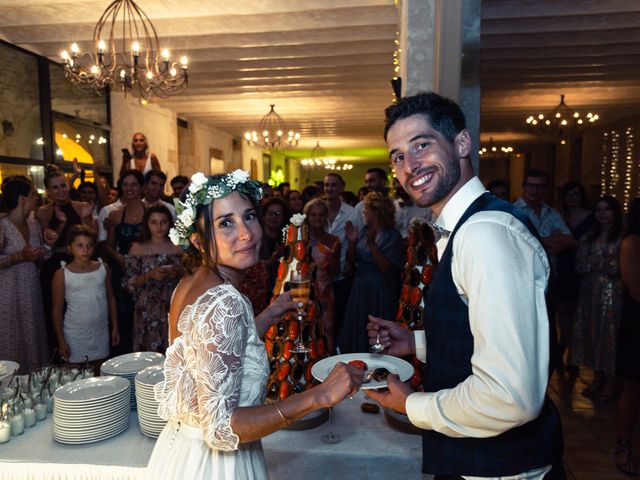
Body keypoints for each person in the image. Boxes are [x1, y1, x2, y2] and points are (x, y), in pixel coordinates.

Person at [366, 92, 563, 479]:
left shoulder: (485, 234)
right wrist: (418, 343)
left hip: (498, 468)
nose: (410, 166)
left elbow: (511, 397)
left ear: (461, 143)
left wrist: (413, 407)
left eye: (421, 145)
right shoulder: (468, 227)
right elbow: (487, 337)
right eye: (398, 157)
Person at [147, 170, 362, 479]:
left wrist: (270, 313)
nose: (247, 233)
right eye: (225, 223)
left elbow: (213, 356)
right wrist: (319, 395)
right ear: (197, 240)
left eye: (249, 216)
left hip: (182, 449)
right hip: (218, 465)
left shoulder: (191, 283)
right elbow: (221, 427)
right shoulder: (226, 302)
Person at [36, 165, 96, 352]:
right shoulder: (43, 212)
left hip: (81, 263)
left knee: (84, 309)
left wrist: (86, 220)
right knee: (56, 310)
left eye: (63, 185)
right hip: (54, 265)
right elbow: (49, 240)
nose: (60, 190)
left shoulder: (82, 207)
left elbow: (92, 237)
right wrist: (61, 224)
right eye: (55, 187)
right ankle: (60, 351)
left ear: (68, 186)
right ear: (48, 191)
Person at [569, 196, 623, 400]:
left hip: (613, 294)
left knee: (609, 334)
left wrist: (598, 263)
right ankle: (597, 376)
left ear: (615, 213)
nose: (602, 213)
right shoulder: (589, 237)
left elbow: (618, 268)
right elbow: (580, 265)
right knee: (591, 332)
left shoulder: (622, 239)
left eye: (606, 209)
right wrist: (602, 262)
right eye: (598, 209)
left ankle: (611, 380)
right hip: (590, 293)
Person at [0, 176, 55, 373]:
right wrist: (17, 257)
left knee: (32, 337)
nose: (37, 197)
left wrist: (49, 244)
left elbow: (41, 258)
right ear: (22, 199)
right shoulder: (2, 226)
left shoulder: (33, 225)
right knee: (11, 341)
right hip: (7, 294)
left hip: (31, 291)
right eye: (33, 194)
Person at [338, 191, 404, 354]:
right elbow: (354, 260)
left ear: (377, 211)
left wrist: (372, 245)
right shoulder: (365, 229)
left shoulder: (392, 235)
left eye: (366, 209)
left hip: (380, 288)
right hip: (360, 286)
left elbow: (384, 267)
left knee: (378, 325)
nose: (363, 212)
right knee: (359, 326)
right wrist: (352, 242)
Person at [52, 225, 119, 369]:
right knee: (76, 374)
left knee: (100, 371)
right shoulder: (62, 274)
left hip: (100, 331)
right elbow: (57, 309)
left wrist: (115, 327)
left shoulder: (102, 268)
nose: (85, 250)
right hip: (75, 333)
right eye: (80, 245)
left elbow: (111, 298)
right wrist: (61, 340)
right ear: (70, 247)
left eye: (89, 245)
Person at [123, 205, 182, 353]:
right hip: (146, 310)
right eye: (154, 222)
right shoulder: (137, 248)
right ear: (147, 224)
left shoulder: (178, 247)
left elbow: (189, 277)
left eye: (163, 222)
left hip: (173, 305)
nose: (159, 226)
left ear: (170, 223)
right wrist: (149, 275)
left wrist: (177, 273)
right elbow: (128, 283)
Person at [555, 181, 594, 369]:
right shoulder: (559, 215)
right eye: (568, 194)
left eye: (575, 194)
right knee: (562, 312)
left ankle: (569, 347)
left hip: (583, 269)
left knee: (578, 313)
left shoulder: (592, 217)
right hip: (563, 265)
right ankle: (567, 346)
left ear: (581, 196)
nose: (571, 198)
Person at [615, 197, 640, 476]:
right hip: (636, 322)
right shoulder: (633, 242)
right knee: (633, 387)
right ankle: (623, 445)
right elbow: (635, 288)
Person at [303, 198, 340, 353]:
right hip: (303, 290)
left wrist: (331, 258)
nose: (317, 218)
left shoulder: (334, 240)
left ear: (326, 216)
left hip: (325, 291)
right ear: (307, 217)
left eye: (321, 214)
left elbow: (336, 272)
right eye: (313, 215)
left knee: (327, 331)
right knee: (305, 330)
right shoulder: (300, 240)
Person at [323, 172, 357, 339]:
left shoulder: (351, 213)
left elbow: (354, 242)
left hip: (343, 274)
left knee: (341, 316)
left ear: (342, 187)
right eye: (327, 185)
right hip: (321, 276)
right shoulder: (317, 211)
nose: (329, 188)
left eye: (333, 185)